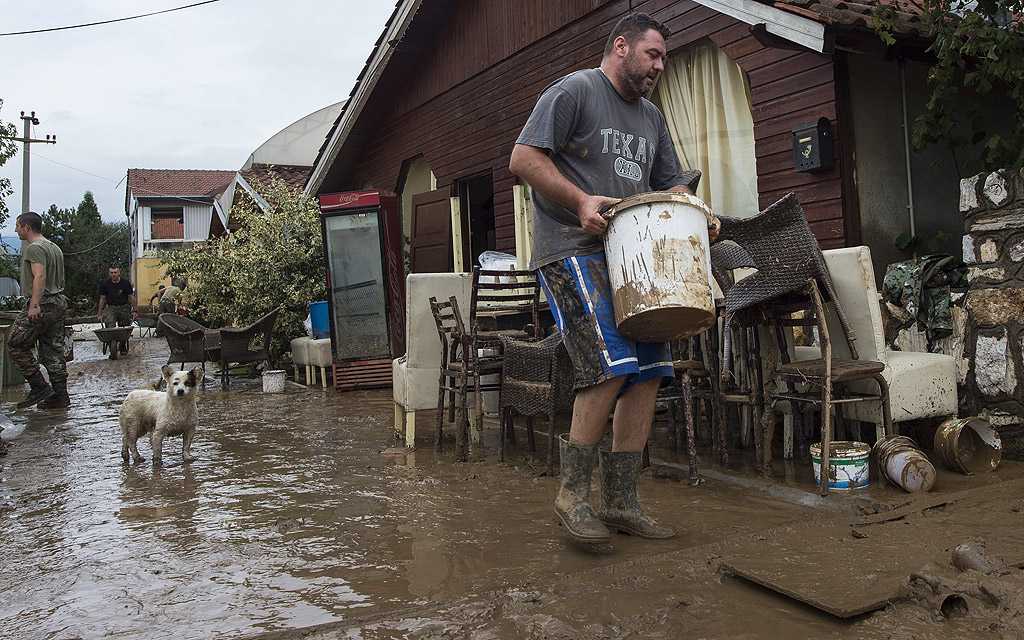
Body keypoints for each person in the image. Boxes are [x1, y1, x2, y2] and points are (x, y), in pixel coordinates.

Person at [509, 13, 720, 545]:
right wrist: (580, 200)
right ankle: (572, 495)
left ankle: (622, 500)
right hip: (570, 247)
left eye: (664, 59)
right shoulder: (576, 91)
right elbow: (523, 158)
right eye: (652, 54)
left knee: (650, 369)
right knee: (609, 362)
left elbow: (672, 186)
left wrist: (699, 213)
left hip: (632, 256)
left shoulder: (651, 117)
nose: (659, 66)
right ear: (621, 47)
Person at [7, 211, 71, 408]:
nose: (15, 230)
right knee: (53, 350)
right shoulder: (54, 247)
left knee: (15, 345)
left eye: (17, 226)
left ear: (27, 227)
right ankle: (60, 396)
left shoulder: (35, 248)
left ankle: (38, 386)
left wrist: (34, 305)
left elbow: (40, 277)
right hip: (58, 302)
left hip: (42, 303)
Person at [97, 266, 138, 354]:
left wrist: (135, 310)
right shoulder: (105, 284)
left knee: (124, 328)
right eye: (111, 273)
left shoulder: (125, 283)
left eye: (115, 272)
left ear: (119, 273)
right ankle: (111, 346)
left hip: (123, 307)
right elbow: (102, 299)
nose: (113, 274)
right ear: (109, 274)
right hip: (111, 307)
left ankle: (122, 345)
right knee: (109, 326)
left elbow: (131, 297)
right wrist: (99, 313)